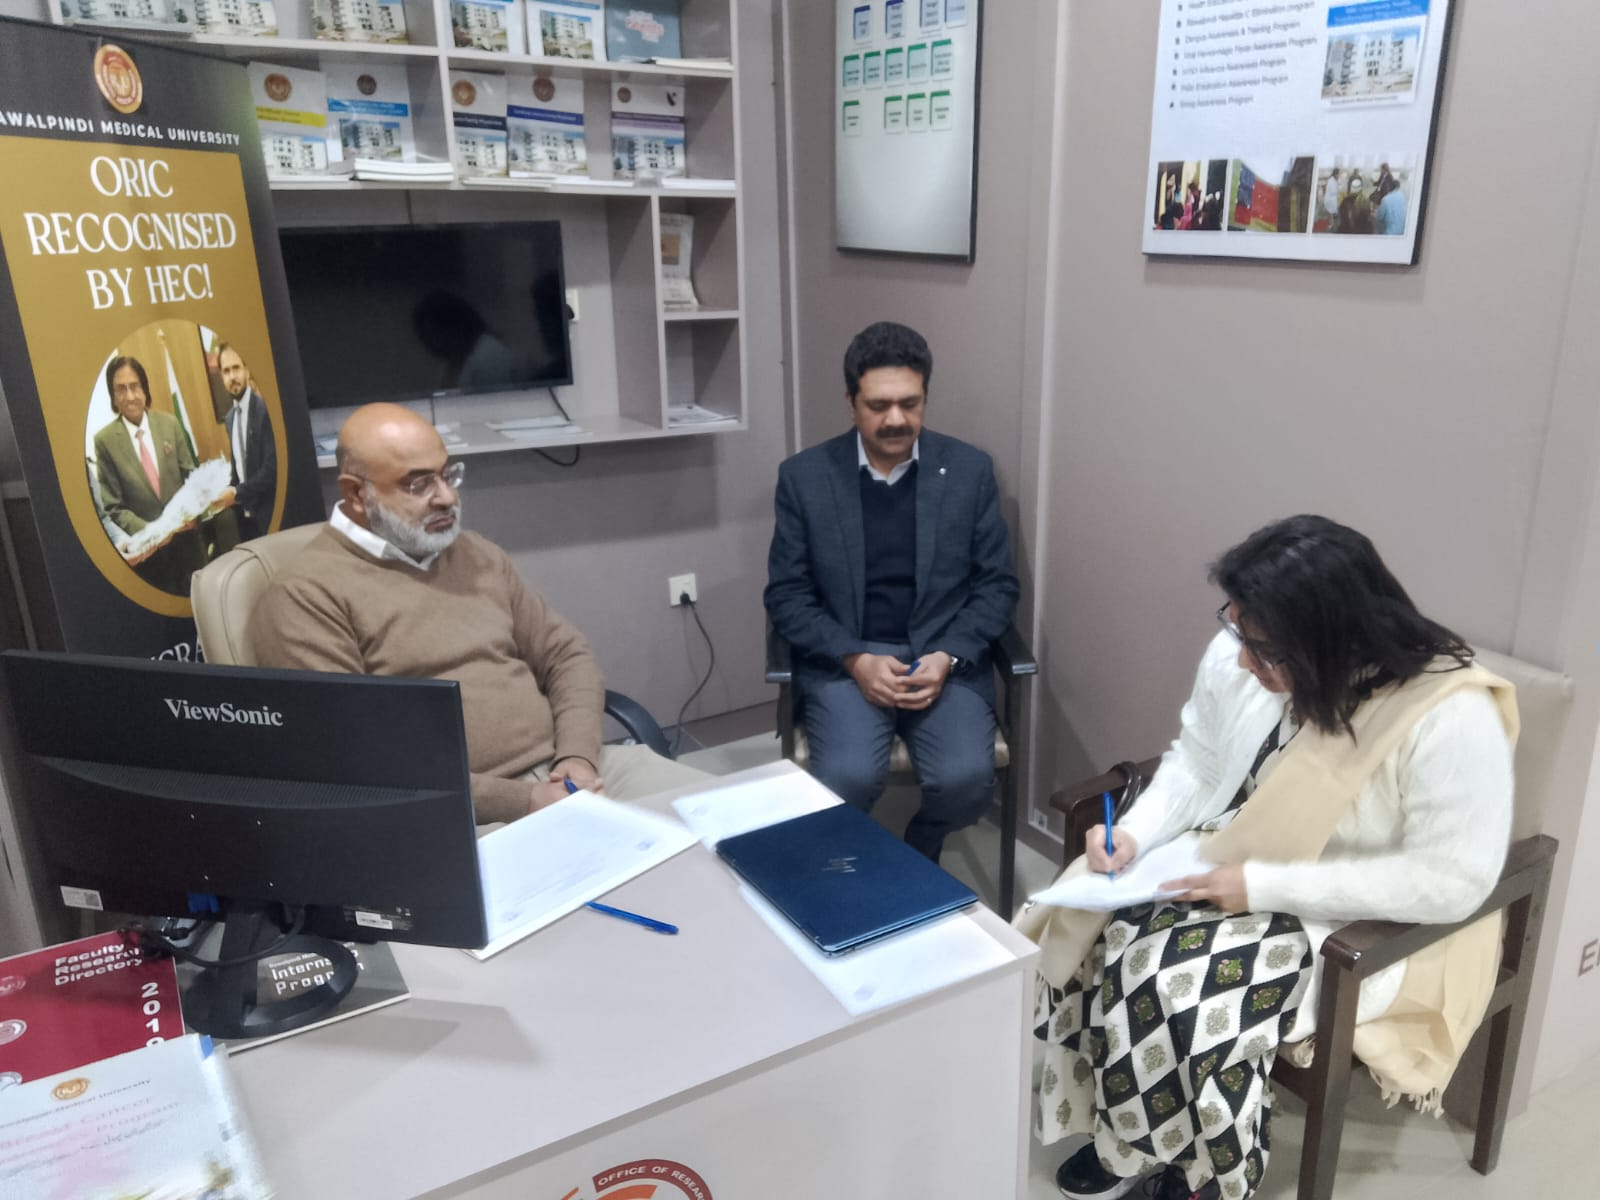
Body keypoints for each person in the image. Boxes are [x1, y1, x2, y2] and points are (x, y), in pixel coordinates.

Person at [1018, 515, 1515, 1200]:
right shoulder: (1248, 651)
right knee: (1096, 925)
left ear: (1332, 641)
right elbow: (1197, 759)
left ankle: (1204, 1175)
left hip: (1349, 910)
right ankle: (1126, 1140)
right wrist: (1134, 833)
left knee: (1181, 987)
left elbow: (1452, 880)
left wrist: (1259, 886)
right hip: (1240, 849)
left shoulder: (1446, 716)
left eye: (1264, 650)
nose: (1243, 662)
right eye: (1237, 630)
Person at [249, 402, 709, 824]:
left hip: (577, 775)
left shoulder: (475, 553)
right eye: (419, 484)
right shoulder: (305, 595)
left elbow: (566, 655)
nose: (447, 497)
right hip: (460, 813)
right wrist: (524, 800)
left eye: (448, 475)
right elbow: (357, 757)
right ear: (355, 494)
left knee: (733, 827)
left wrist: (578, 758)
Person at [764, 321, 1019, 861]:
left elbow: (997, 584)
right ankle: (863, 874)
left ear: (925, 397)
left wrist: (948, 655)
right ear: (851, 402)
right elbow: (787, 594)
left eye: (910, 403)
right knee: (846, 779)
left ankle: (920, 846)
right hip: (848, 657)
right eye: (878, 405)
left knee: (967, 782)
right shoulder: (805, 478)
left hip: (940, 656)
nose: (896, 419)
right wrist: (854, 658)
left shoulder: (969, 471)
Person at [92, 355, 209, 594]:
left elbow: (191, 477)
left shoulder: (170, 424)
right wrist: (153, 533)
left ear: (144, 389)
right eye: (121, 389)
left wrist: (192, 512)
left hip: (188, 546)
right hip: (150, 559)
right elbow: (114, 507)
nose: (130, 396)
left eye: (135, 386)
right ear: (113, 396)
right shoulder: (104, 441)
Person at [218, 342, 279, 542]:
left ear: (247, 370)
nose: (232, 376)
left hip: (270, 515)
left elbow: (272, 469)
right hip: (246, 521)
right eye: (226, 371)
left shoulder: (266, 410)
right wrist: (222, 492)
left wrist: (237, 493)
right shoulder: (230, 419)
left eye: (236, 368)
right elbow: (237, 470)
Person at [1321, 167, 1341, 233]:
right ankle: (1332, 225)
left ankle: (1333, 223)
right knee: (1335, 209)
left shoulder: (1334, 180)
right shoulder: (1331, 181)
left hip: (1332, 198)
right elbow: (1333, 191)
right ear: (1335, 174)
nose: (1339, 175)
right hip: (1330, 199)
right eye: (1338, 174)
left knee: (1337, 207)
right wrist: (1338, 188)